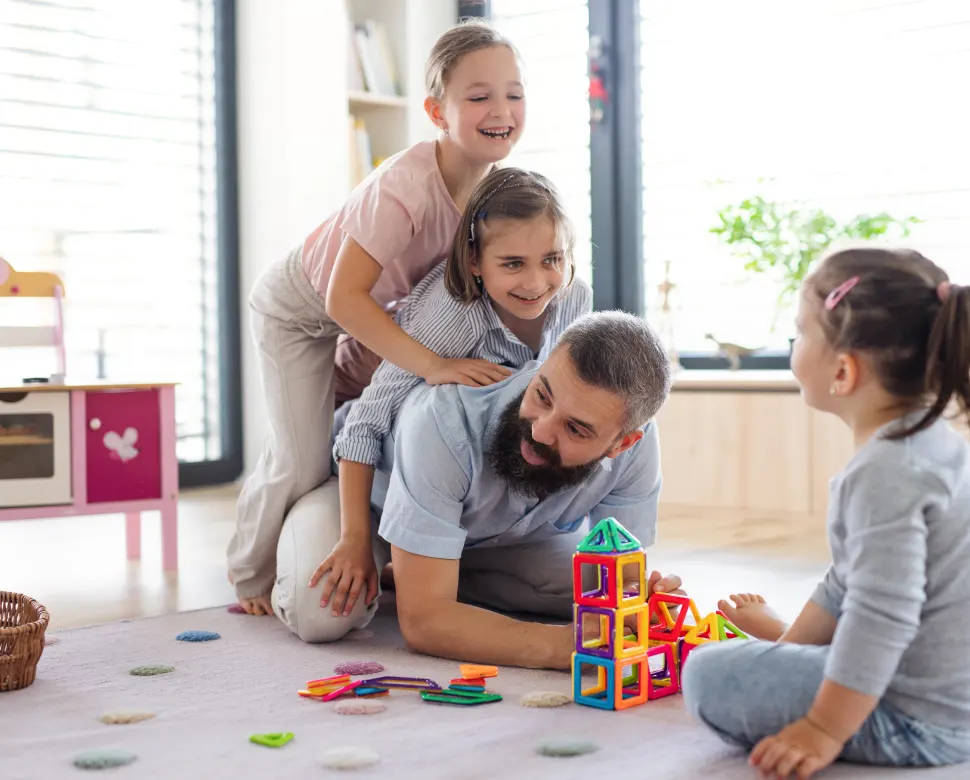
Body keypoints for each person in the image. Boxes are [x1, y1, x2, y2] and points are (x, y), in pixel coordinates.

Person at [227, 19, 526, 614]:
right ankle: (249, 574)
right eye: (479, 96)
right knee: (300, 456)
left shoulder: (495, 189)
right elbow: (342, 299)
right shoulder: (407, 185)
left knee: (380, 423)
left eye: (514, 93)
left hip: (373, 312)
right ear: (438, 112)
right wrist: (435, 364)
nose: (502, 109)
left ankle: (386, 551)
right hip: (302, 310)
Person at [682, 246, 970, 777]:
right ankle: (792, 644)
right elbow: (849, 583)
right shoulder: (935, 446)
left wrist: (824, 728)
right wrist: (788, 652)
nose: (794, 345)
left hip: (916, 720)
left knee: (706, 673)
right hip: (950, 696)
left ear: (843, 370)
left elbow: (883, 614)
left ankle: (838, 701)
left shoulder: (885, 473)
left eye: (801, 332)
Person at [272, 311, 681, 669]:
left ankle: (424, 570)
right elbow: (423, 624)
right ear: (543, 365)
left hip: (494, 538)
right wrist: (563, 645)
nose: (539, 430)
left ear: (621, 443)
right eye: (542, 394)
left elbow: (618, 580)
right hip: (364, 501)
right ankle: (418, 569)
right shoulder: (443, 420)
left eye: (575, 429)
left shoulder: (637, 448)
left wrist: (637, 598)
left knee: (599, 594)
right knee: (319, 614)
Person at [314, 166, 593, 619]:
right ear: (474, 263)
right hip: (372, 478)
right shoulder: (455, 316)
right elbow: (365, 423)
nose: (536, 282)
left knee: (580, 593)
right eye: (512, 264)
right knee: (325, 614)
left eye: (552, 259)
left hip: (466, 500)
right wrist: (354, 539)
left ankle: (438, 569)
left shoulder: (574, 301)